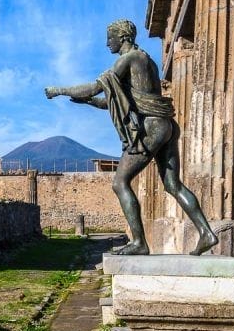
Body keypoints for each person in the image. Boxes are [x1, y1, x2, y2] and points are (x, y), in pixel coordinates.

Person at [45, 19, 218, 255]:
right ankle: (206, 233)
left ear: (123, 37)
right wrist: (89, 102)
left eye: (110, 38)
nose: (107, 43)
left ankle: (139, 243)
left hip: (150, 128)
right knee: (172, 184)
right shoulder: (146, 60)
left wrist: (59, 91)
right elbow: (115, 101)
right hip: (165, 125)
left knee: (119, 182)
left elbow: (95, 87)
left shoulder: (129, 58)